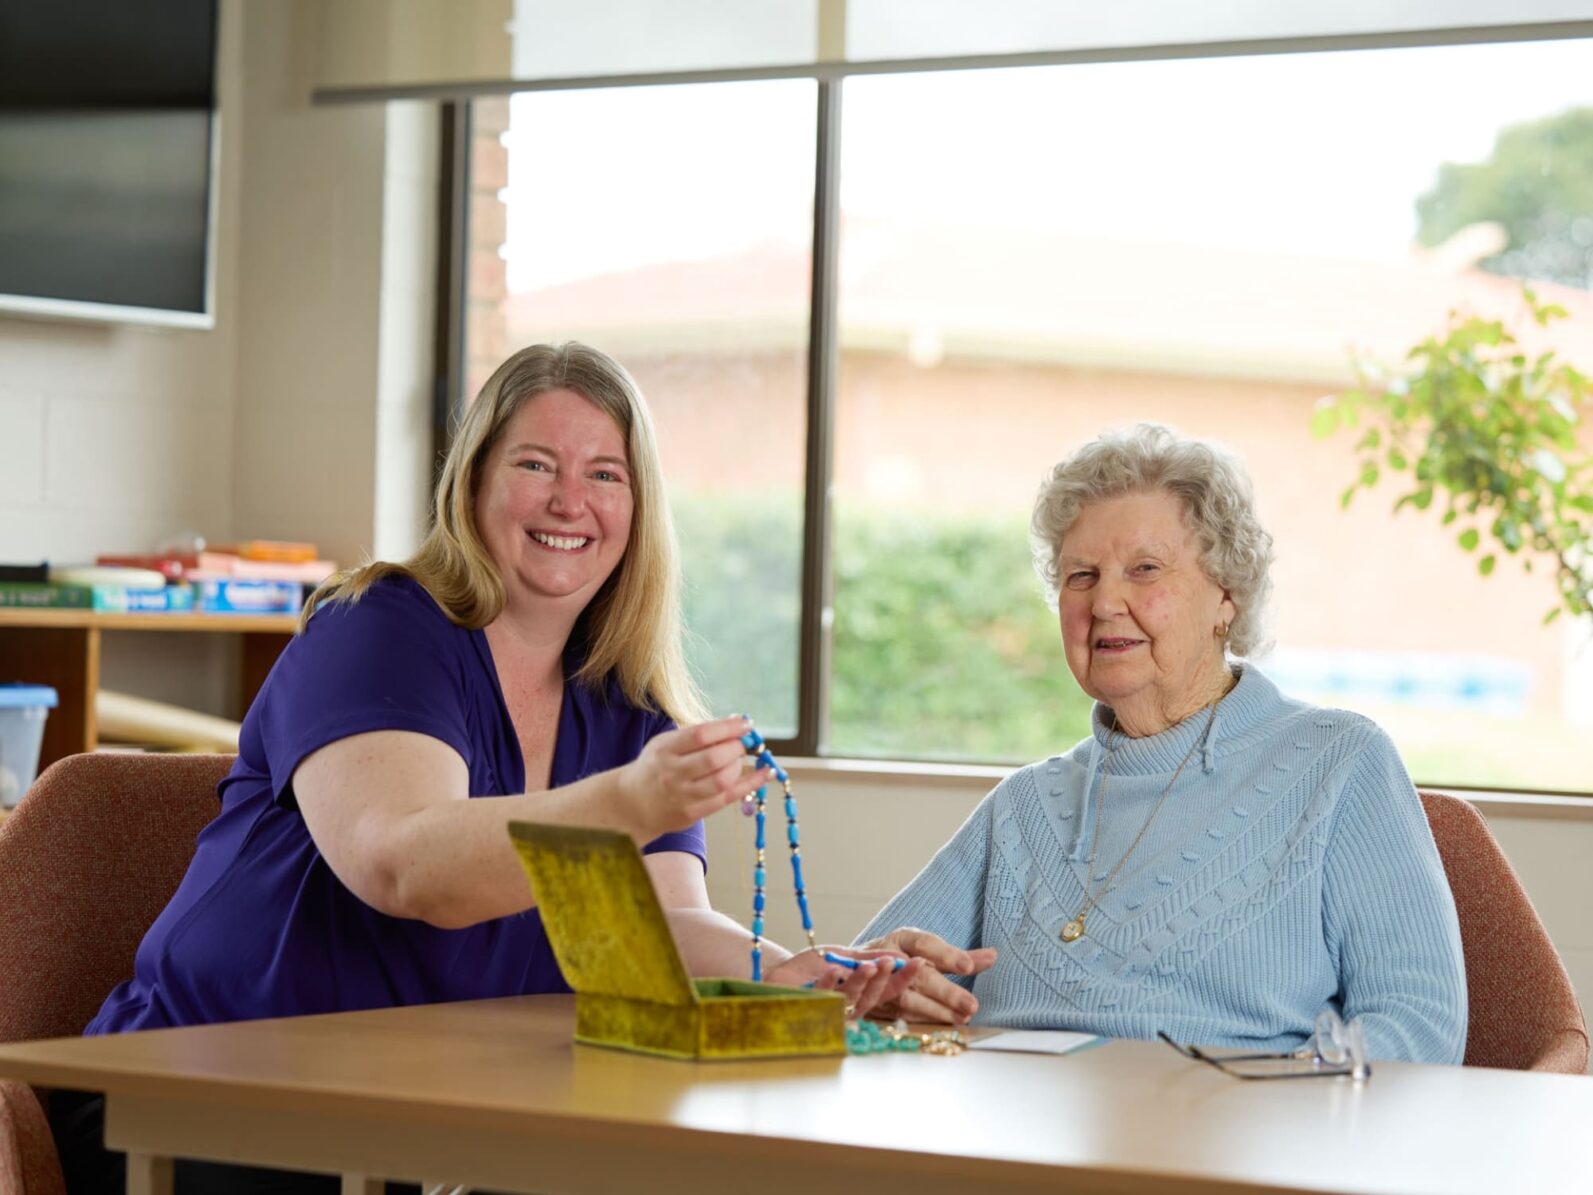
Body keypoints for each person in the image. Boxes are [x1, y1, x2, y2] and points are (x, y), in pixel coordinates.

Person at [52, 343, 966, 1194]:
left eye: (604, 475)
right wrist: (626, 800)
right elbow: (405, 866)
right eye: (536, 465)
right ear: (475, 481)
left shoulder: (626, 702)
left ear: (636, 510)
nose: (570, 501)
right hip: (197, 1106)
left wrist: (801, 974)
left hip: (422, 1131)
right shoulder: (378, 628)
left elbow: (658, 930)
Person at [856, 423, 1467, 1064]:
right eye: (1081, 576)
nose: (1106, 602)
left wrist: (1282, 1116)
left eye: (1145, 569)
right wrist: (882, 989)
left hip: (1234, 1143)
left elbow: (1420, 1028)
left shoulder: (1337, 762)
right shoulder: (1025, 805)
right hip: (1012, 1142)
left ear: (1226, 596)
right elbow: (851, 988)